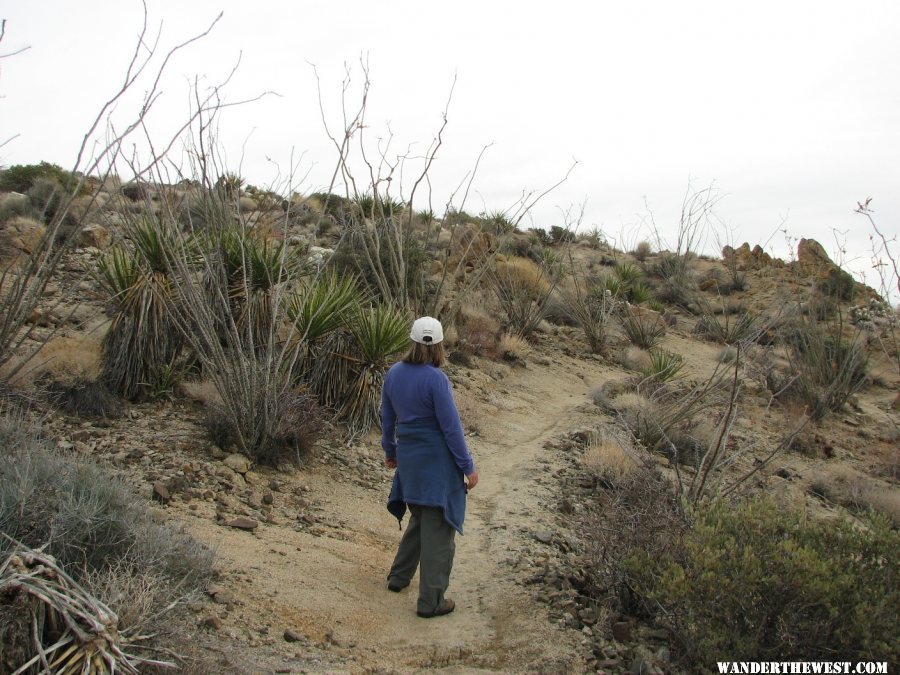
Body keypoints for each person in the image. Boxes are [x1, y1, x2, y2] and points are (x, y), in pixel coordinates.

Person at [382, 316, 479, 619]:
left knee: (421, 516)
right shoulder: (437, 380)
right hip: (437, 463)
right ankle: (431, 601)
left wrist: (390, 451)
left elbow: (387, 418)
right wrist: (468, 466)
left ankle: (398, 578)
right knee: (439, 528)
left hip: (409, 458)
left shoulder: (394, 373)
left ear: (411, 341)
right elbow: (451, 428)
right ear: (438, 346)